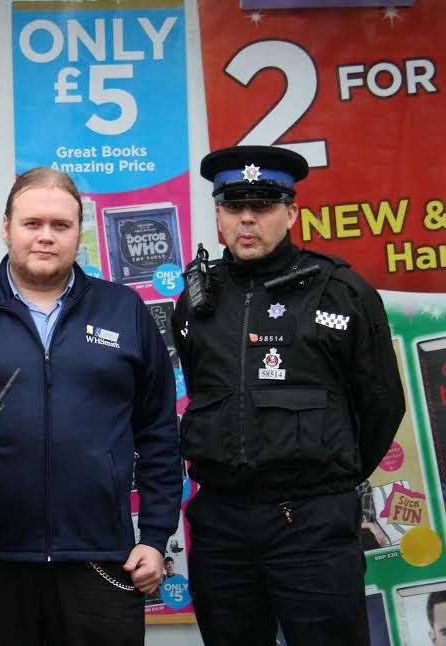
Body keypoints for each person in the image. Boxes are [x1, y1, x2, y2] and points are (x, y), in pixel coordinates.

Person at [0, 167, 182, 646]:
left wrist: (155, 537)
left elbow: (158, 431)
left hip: (101, 558)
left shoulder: (124, 310)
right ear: (6, 227)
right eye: (32, 224)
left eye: (61, 225)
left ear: (78, 232)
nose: (46, 237)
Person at [172, 145, 405, 646]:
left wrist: (328, 477)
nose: (248, 219)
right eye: (234, 207)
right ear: (218, 214)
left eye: (264, 205)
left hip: (312, 523)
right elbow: (200, 388)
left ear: (291, 211)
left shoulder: (340, 290)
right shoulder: (196, 302)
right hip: (221, 526)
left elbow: (383, 402)